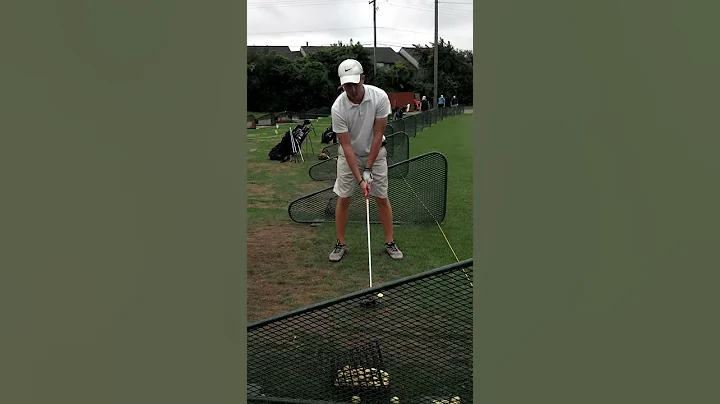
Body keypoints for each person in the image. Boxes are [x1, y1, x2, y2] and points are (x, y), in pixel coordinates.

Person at [328, 59, 404, 262]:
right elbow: (346, 146)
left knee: (381, 197)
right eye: (346, 85)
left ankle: (389, 241)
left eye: (354, 84)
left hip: (376, 154)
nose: (351, 89)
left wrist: (368, 170)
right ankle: (340, 243)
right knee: (344, 198)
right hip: (348, 155)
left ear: (362, 79)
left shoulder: (379, 98)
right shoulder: (338, 108)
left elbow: (378, 135)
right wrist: (360, 180)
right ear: (341, 84)